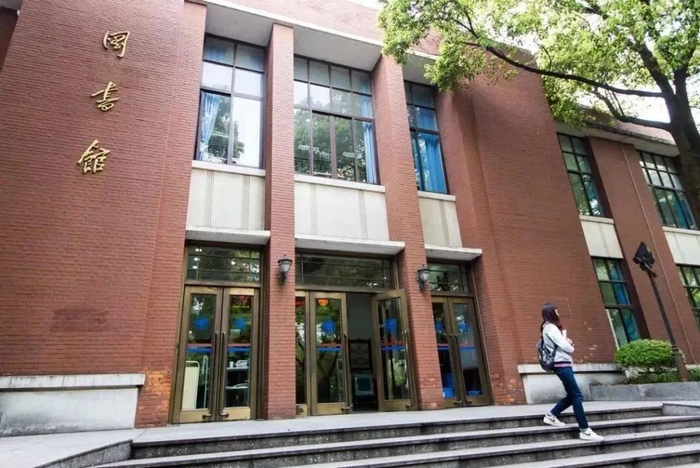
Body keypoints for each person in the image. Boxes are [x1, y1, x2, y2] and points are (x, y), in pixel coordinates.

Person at [540, 303, 604, 442]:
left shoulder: (548, 328)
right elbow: (566, 347)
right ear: (551, 313)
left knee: (573, 395)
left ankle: (551, 415)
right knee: (577, 396)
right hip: (561, 364)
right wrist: (569, 344)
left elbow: (562, 345)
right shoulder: (551, 328)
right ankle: (585, 430)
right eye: (556, 311)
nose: (558, 314)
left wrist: (567, 343)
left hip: (561, 364)